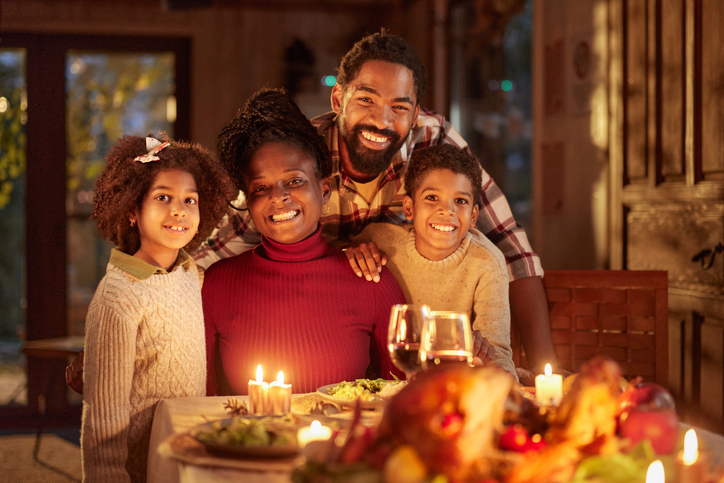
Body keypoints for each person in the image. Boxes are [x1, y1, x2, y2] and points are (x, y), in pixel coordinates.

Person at [193, 31, 556, 377]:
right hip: (322, 327)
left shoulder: (433, 141)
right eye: (366, 99)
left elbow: (511, 248)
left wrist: (544, 373)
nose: (381, 120)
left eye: (399, 107)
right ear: (338, 100)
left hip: (404, 332)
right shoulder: (299, 156)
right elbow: (221, 247)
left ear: (415, 116)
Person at [203, 88, 404, 395]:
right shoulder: (216, 285)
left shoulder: (372, 281)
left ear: (324, 191)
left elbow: (402, 400)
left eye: (295, 181)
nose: (279, 196)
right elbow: (198, 405)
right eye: (260, 188)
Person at [80, 134, 234, 482]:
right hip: (137, 468)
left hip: (183, 455)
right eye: (163, 197)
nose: (179, 209)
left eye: (189, 200)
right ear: (133, 209)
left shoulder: (189, 274)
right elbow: (104, 418)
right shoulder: (117, 298)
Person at [351, 144, 516, 378]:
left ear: (473, 217)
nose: (446, 211)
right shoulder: (380, 241)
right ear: (409, 208)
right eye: (431, 198)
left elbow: (498, 351)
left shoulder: (486, 262)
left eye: (460, 201)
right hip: (383, 386)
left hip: (448, 384)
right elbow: (336, 258)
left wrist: (486, 358)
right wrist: (351, 251)